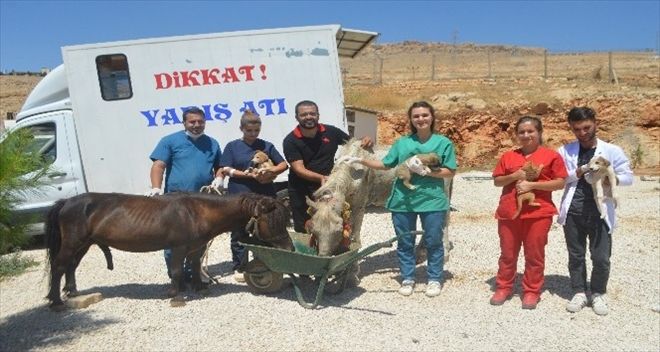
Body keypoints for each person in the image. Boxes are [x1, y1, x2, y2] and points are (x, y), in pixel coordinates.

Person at [340, 101, 456, 297]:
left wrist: (427, 172)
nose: (421, 119)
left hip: (432, 200)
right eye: (416, 116)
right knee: (405, 242)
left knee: (433, 240)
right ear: (411, 120)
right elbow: (386, 165)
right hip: (403, 201)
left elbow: (450, 171)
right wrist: (360, 160)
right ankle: (408, 277)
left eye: (425, 115)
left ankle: (434, 278)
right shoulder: (402, 143)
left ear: (432, 117)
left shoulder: (443, 143)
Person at [557, 107, 633, 316]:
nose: (583, 133)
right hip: (574, 210)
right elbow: (559, 177)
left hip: (601, 211)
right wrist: (579, 171)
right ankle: (579, 291)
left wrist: (612, 179)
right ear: (572, 129)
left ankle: (598, 292)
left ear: (595, 123)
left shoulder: (612, 150)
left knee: (601, 257)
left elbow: (629, 176)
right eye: (577, 129)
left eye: (587, 127)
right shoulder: (565, 151)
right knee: (576, 255)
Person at [490, 116, 567, 309]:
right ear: (517, 135)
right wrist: (514, 176)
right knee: (508, 253)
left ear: (539, 133)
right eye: (522, 132)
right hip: (510, 212)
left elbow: (560, 182)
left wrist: (532, 184)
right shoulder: (508, 156)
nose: (526, 135)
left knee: (534, 254)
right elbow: (497, 181)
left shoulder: (550, 156)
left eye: (530, 131)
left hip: (538, 213)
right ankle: (504, 287)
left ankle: (532, 291)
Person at [147, 107, 223, 282]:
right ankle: (176, 275)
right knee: (173, 238)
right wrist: (156, 188)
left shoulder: (212, 143)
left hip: (202, 201)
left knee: (200, 236)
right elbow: (158, 165)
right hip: (176, 201)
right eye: (192, 122)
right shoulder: (170, 141)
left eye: (200, 122)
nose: (197, 125)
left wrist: (219, 178)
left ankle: (194, 272)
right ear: (184, 123)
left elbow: (219, 166)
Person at [282, 100, 372, 234]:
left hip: (328, 186)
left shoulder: (331, 132)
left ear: (318, 115)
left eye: (312, 113)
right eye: (304, 114)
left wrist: (365, 139)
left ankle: (333, 252)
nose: (308, 117)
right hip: (302, 189)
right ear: (297, 117)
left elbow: (353, 143)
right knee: (305, 227)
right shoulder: (291, 140)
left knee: (333, 223)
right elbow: (299, 169)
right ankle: (307, 253)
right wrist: (323, 178)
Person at [220, 110, 288, 282]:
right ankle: (240, 267)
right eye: (249, 131)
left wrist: (270, 171)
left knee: (266, 229)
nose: (252, 134)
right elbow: (225, 169)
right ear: (241, 128)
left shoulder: (267, 145)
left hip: (264, 196)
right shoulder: (232, 146)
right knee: (239, 232)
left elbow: (283, 165)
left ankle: (265, 263)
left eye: (256, 131)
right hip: (240, 197)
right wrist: (249, 175)